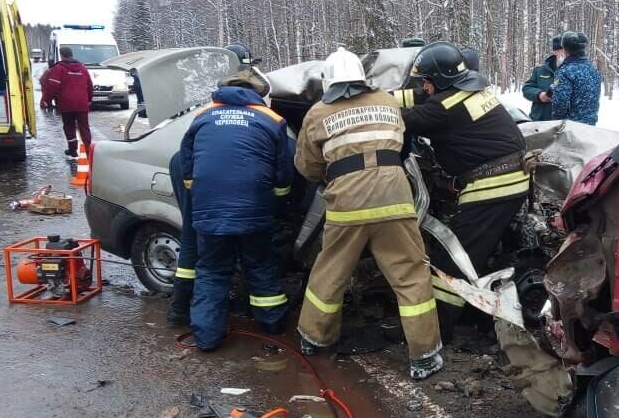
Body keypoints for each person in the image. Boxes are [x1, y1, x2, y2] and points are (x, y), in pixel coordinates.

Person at [295, 47, 444, 380]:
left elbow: (307, 166)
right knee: (410, 275)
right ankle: (424, 355)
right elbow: (403, 147)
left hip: (347, 205)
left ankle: (314, 339)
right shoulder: (388, 102)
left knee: (330, 272)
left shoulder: (318, 113)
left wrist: (333, 173)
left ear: (329, 82)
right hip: (395, 198)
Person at [401, 41, 530, 337]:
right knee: (478, 252)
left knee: (451, 258)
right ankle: (477, 315)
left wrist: (374, 101)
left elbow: (401, 120)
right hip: (511, 179)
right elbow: (425, 96)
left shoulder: (443, 109)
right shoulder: (472, 90)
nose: (425, 87)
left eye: (427, 82)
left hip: (492, 186)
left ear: (439, 81)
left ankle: (437, 330)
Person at [180, 71, 292, 351]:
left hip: (209, 210)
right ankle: (272, 324)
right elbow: (283, 174)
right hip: (254, 208)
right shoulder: (272, 119)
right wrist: (277, 203)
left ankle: (206, 338)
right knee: (260, 264)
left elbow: (187, 169)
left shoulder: (202, 117)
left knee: (212, 270)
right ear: (257, 93)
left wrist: (204, 200)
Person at [41, 46, 93, 157]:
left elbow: (53, 86)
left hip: (66, 104)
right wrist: (89, 100)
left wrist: (46, 99)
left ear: (61, 55)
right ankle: (89, 151)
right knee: (84, 127)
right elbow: (90, 86)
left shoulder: (58, 68)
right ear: (71, 54)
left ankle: (73, 150)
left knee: (69, 126)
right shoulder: (82, 68)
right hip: (82, 104)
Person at [165, 150, 198, 326]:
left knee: (191, 234)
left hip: (185, 159)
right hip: (204, 164)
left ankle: (179, 308)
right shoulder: (273, 126)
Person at [550, 31, 602, 125]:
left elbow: (560, 103)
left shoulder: (564, 71)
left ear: (565, 50)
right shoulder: (593, 70)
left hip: (572, 129)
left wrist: (558, 123)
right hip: (590, 126)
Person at [522, 36, 563, 121]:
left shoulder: (574, 72)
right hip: (540, 121)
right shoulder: (540, 70)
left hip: (563, 123)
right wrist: (539, 95)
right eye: (562, 51)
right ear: (555, 51)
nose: (565, 54)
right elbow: (527, 88)